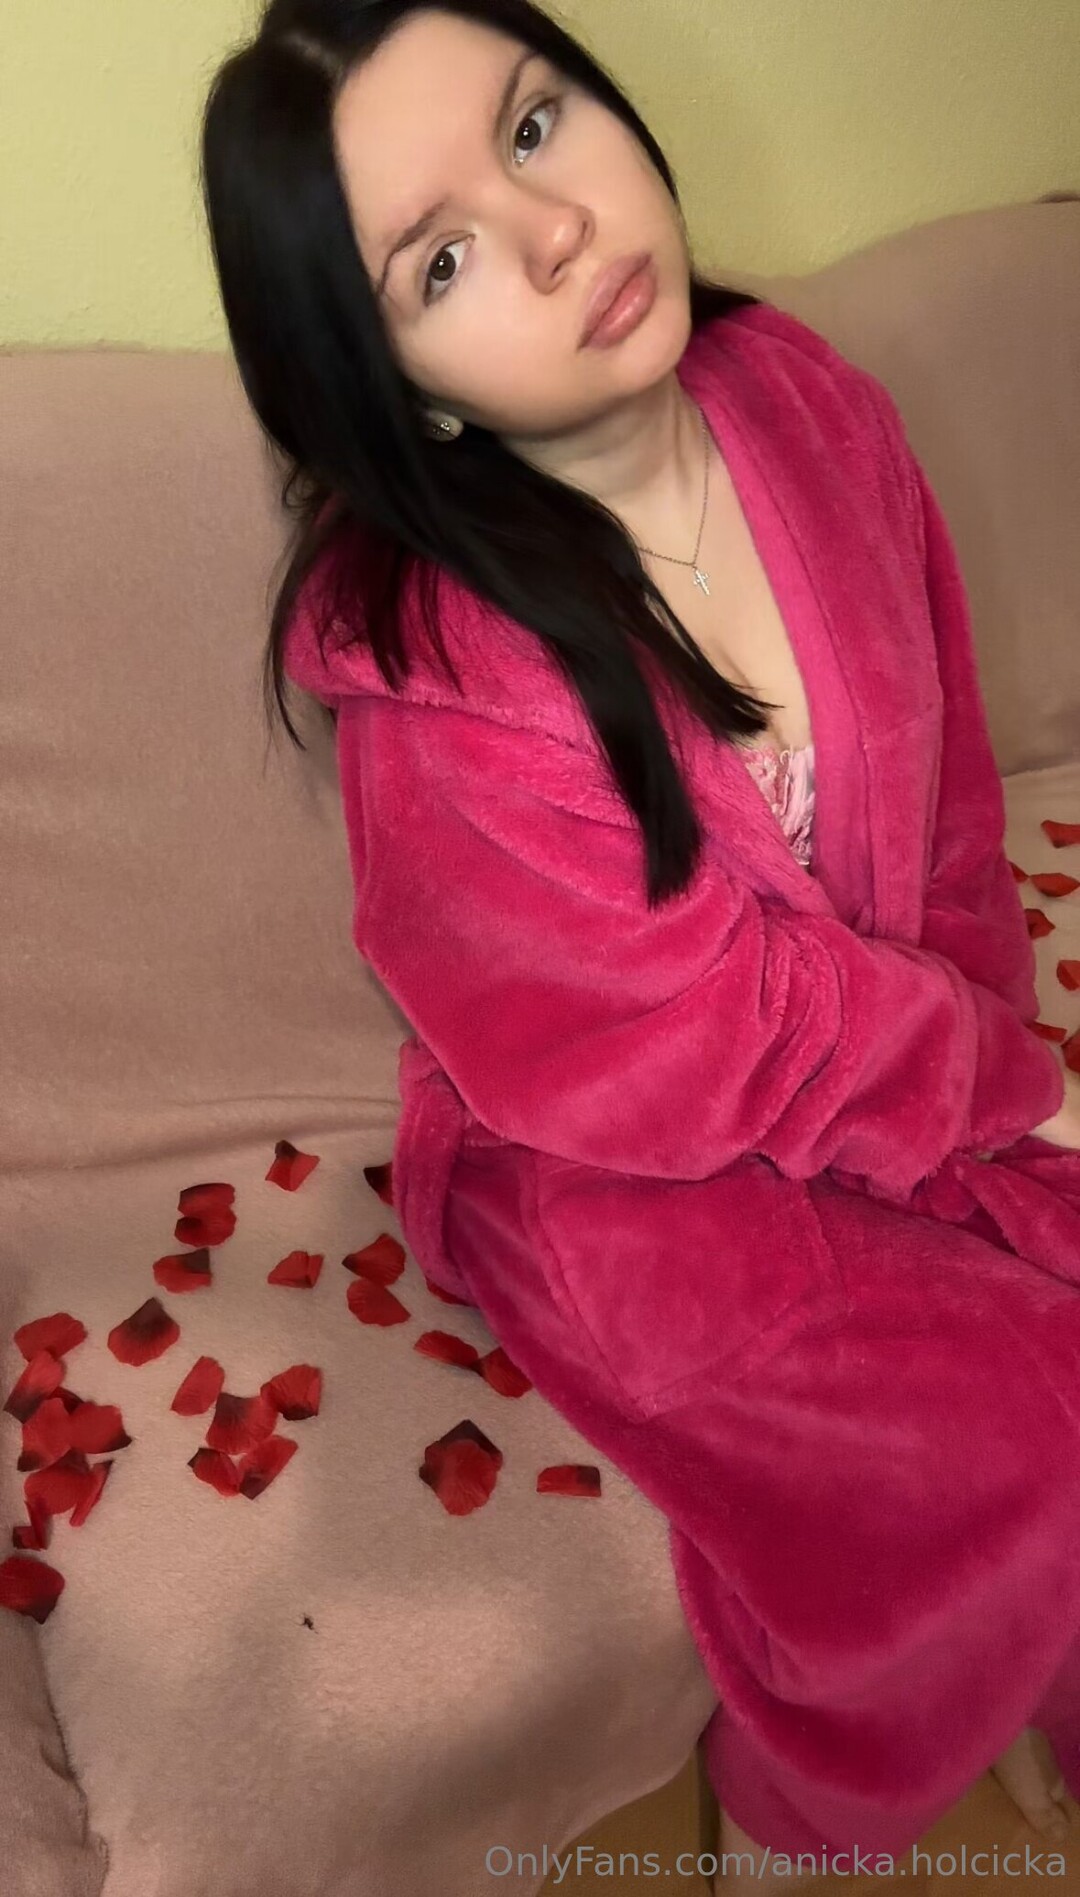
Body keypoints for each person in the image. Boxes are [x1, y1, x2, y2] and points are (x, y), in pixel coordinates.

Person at [200, 1, 1080, 1884]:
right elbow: (684, 1030)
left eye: (535, 127)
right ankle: (795, 1815)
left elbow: (943, 816)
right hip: (607, 1161)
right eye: (439, 261)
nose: (554, 233)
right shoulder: (437, 671)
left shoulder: (810, 404)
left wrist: (994, 1062)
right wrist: (1000, 1086)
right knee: (1021, 1441)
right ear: (396, 380)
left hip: (881, 1040)